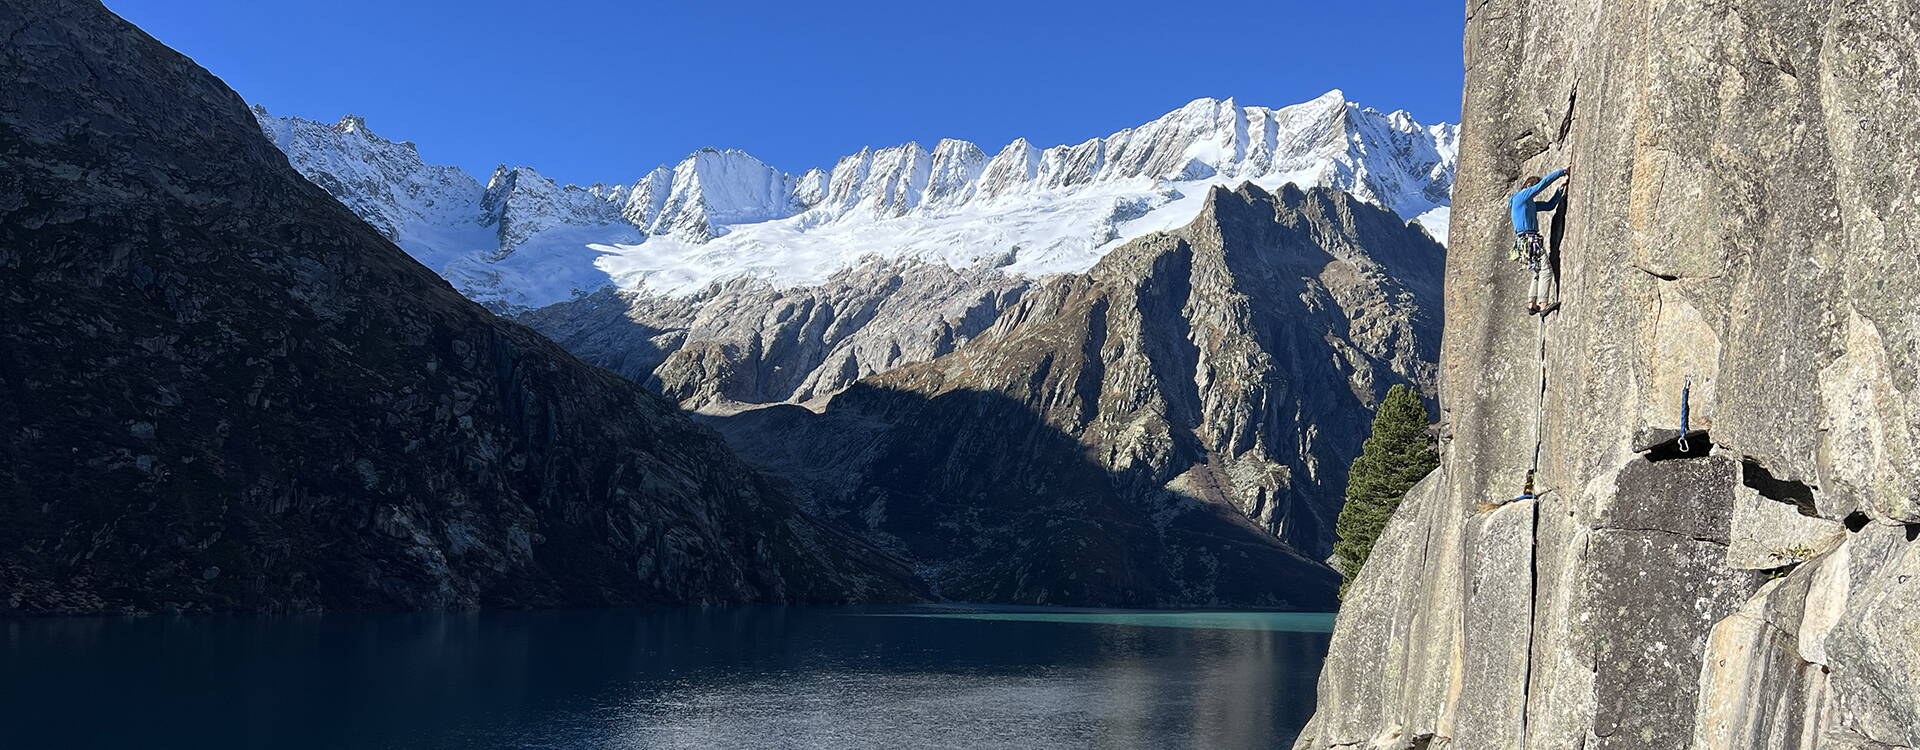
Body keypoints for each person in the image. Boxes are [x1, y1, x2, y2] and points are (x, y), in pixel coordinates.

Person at [1509, 167, 1570, 314]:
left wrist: (1559, 191)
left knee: (1538, 271)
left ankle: (1532, 303)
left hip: (1524, 242)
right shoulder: (1522, 196)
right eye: (1533, 188)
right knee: (1546, 270)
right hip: (1530, 240)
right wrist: (1562, 172)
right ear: (1528, 186)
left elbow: (1549, 206)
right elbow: (1542, 185)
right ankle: (1543, 304)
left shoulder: (1528, 204)